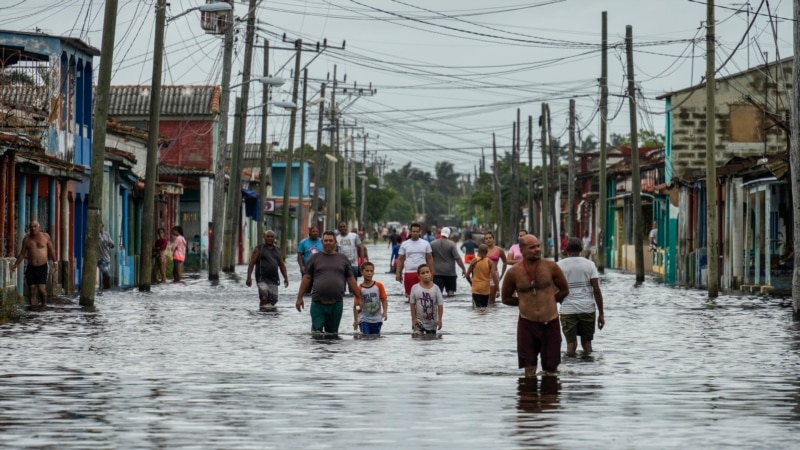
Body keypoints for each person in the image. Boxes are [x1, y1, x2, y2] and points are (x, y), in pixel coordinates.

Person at [501, 235, 569, 378]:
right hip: (527, 324)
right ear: (522, 250)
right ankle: (529, 398)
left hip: (550, 322)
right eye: (532, 247)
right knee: (529, 369)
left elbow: (564, 290)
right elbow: (505, 298)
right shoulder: (513, 272)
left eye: (538, 246)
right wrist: (524, 303)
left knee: (551, 370)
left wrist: (550, 300)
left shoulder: (551, 267)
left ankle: (548, 398)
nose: (537, 249)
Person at [296, 231, 362, 334]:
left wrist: (359, 297)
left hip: (337, 303)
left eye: (330, 240)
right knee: (316, 333)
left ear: (335, 242)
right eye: (325, 240)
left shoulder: (343, 259)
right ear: (322, 242)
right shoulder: (314, 258)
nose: (328, 243)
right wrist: (299, 298)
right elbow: (307, 278)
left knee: (333, 334)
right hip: (318, 303)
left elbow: (351, 279)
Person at [557, 237, 605, 356]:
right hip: (587, 308)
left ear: (566, 249)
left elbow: (554, 290)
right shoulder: (590, 265)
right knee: (587, 343)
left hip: (567, 310)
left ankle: (571, 369)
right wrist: (601, 313)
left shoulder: (559, 265)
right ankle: (587, 370)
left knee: (571, 344)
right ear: (581, 249)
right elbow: (596, 290)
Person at [10, 220, 58, 307]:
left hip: (43, 267)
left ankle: (44, 305)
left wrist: (55, 262)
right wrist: (15, 265)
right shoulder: (26, 240)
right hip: (31, 267)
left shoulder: (45, 236)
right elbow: (22, 254)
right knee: (32, 290)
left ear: (39, 227)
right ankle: (33, 308)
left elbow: (51, 250)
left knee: (41, 290)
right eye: (31, 227)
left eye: (35, 226)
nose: (33, 228)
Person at [246, 230, 289, 310]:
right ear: (264, 237)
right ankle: (261, 316)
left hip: (273, 280)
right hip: (262, 279)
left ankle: (268, 318)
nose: (269, 238)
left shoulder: (278, 250)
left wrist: (286, 278)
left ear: (274, 238)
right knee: (264, 298)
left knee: (272, 301)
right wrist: (249, 277)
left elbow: (282, 265)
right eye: (268, 236)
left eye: (271, 237)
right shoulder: (259, 249)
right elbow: (252, 263)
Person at [395, 222, 434, 300]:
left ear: (420, 232)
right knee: (411, 297)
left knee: (424, 295)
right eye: (414, 231)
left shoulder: (425, 243)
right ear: (410, 231)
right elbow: (400, 259)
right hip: (409, 273)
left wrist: (432, 272)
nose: (415, 233)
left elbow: (430, 258)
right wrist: (398, 272)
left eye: (417, 231)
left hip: (423, 273)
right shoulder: (405, 244)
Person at [352, 261, 388, 335]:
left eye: (371, 271)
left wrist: (385, 312)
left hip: (377, 319)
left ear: (373, 273)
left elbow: (384, 300)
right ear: (361, 272)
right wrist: (356, 319)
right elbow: (356, 305)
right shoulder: (359, 289)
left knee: (375, 337)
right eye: (367, 271)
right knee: (365, 337)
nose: (369, 273)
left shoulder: (379, 285)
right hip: (364, 319)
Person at [430, 227, 467, 297]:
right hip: (450, 273)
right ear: (449, 234)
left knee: (437, 294)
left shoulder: (432, 244)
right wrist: (463, 269)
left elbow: (429, 258)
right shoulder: (452, 244)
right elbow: (457, 258)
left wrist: (430, 270)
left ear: (441, 233)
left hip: (437, 272)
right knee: (450, 293)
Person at [409, 264, 444, 335]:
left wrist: (439, 319)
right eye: (423, 273)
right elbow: (412, 304)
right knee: (416, 335)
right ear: (419, 276)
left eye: (427, 272)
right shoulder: (415, 288)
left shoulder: (436, 288)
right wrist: (413, 319)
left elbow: (440, 305)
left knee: (431, 339)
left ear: (431, 274)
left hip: (432, 323)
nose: (426, 274)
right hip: (419, 321)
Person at [465, 244, 499, 308]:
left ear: (478, 251)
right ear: (487, 252)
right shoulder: (490, 262)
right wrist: (497, 290)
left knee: (476, 310)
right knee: (484, 309)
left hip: (476, 289)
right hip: (485, 290)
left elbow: (467, 275)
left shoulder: (474, 261)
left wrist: (471, 283)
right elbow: (494, 276)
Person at [483, 231, 507, 302]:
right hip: (484, 275)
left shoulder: (499, 250)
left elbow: (505, 262)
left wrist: (502, 274)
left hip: (494, 275)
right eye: (486, 238)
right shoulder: (483, 250)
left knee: (491, 300)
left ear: (493, 239)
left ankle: (493, 313)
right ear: (484, 241)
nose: (488, 240)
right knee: (484, 299)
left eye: (490, 238)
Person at [97, 222, 115, 290]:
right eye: (99, 227)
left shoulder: (106, 234)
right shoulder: (96, 235)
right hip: (99, 258)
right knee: (106, 273)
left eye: (101, 226)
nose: (101, 228)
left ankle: (105, 289)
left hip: (107, 258)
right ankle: (108, 288)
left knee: (105, 275)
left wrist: (110, 244)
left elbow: (112, 245)